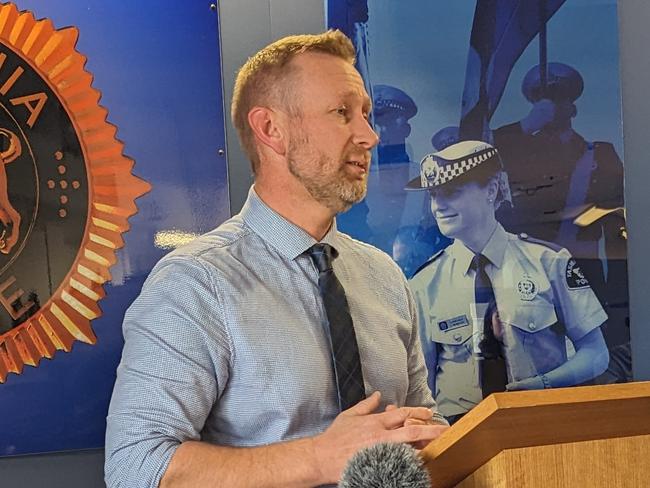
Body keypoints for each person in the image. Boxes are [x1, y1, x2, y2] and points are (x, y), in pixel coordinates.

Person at [105, 30, 447, 488]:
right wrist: (320, 457)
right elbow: (135, 468)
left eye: (365, 115)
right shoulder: (195, 285)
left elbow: (422, 420)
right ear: (271, 130)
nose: (369, 135)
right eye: (342, 113)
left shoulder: (383, 276)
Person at [406, 140, 609, 422]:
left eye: (451, 192)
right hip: (462, 437)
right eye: (433, 195)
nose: (438, 206)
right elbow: (422, 386)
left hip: (541, 424)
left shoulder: (548, 263)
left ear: (490, 190)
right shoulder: (425, 284)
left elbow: (596, 353)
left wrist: (543, 387)